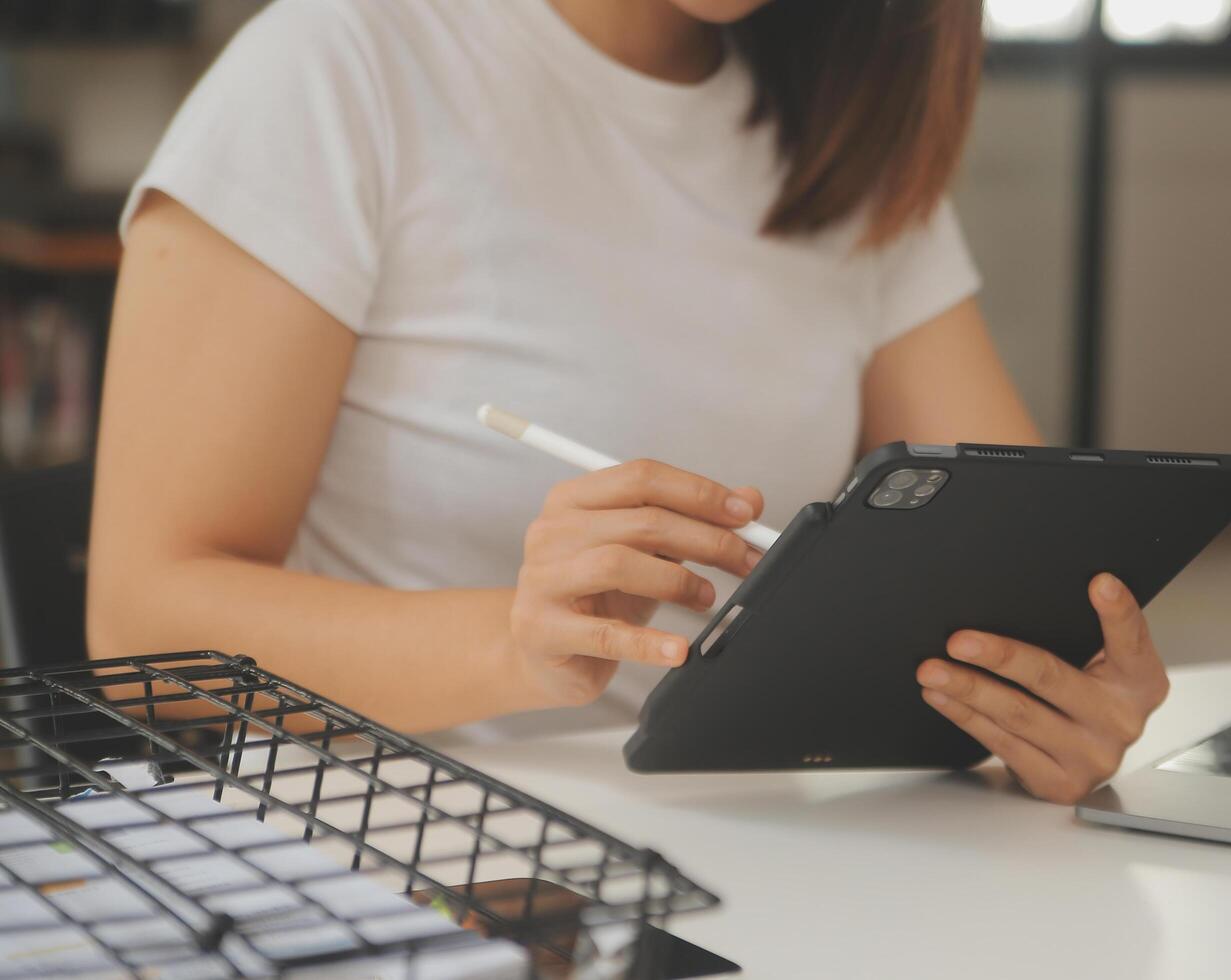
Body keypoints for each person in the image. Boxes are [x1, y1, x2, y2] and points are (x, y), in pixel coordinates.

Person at [88, 0, 1169, 805]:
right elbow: (142, 623)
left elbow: (1019, 562)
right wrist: (510, 649)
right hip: (401, 854)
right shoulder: (341, 62)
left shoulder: (840, 127)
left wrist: (1057, 696)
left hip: (770, 856)